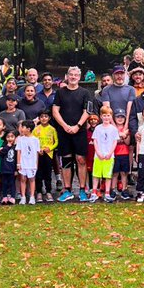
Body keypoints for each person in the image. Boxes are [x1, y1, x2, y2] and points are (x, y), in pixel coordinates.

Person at [53, 66, 92, 203]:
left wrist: (78, 126)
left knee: (81, 160)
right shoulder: (60, 92)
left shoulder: (85, 93)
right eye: (71, 74)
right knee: (66, 161)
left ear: (79, 77)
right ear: (67, 76)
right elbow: (55, 111)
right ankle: (67, 189)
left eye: (76, 75)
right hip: (64, 132)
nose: (73, 77)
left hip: (79, 131)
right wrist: (65, 126)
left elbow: (87, 111)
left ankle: (82, 189)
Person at [33, 110, 58, 202]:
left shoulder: (52, 129)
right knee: (38, 173)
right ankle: (39, 192)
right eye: (42, 116)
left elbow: (56, 142)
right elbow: (33, 141)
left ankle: (48, 191)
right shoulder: (36, 129)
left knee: (48, 173)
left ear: (49, 118)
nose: (44, 118)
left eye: (46, 116)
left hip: (49, 154)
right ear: (39, 118)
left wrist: (50, 148)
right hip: (39, 154)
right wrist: (38, 149)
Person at [16, 120, 40, 205]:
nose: (21, 129)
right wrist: (18, 163)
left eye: (23, 127)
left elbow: (37, 153)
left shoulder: (35, 140)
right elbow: (19, 151)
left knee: (32, 179)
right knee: (22, 179)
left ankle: (32, 196)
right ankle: (23, 197)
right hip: (23, 163)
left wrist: (36, 164)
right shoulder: (20, 139)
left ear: (28, 129)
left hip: (32, 163)